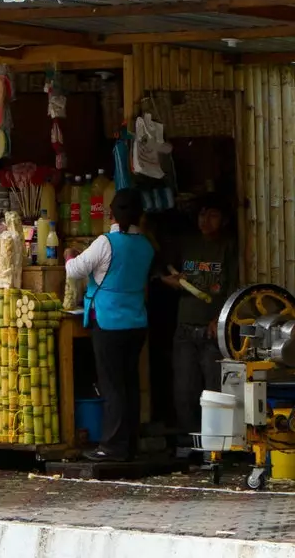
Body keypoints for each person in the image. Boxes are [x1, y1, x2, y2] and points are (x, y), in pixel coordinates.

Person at [65, 190, 155, 461]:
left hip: (109, 322)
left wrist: (70, 255)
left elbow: (74, 271)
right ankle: (130, 444)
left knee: (113, 385)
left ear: (111, 215)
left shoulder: (106, 242)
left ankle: (112, 446)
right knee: (129, 383)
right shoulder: (146, 245)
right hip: (136, 322)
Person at [161, 196, 238, 443]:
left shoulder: (228, 247)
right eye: (202, 215)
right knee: (184, 392)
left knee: (214, 391)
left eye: (213, 215)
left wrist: (220, 318)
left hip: (212, 331)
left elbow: (235, 287)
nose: (205, 221)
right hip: (185, 329)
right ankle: (191, 444)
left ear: (224, 220)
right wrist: (169, 281)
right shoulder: (187, 244)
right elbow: (160, 270)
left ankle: (214, 444)